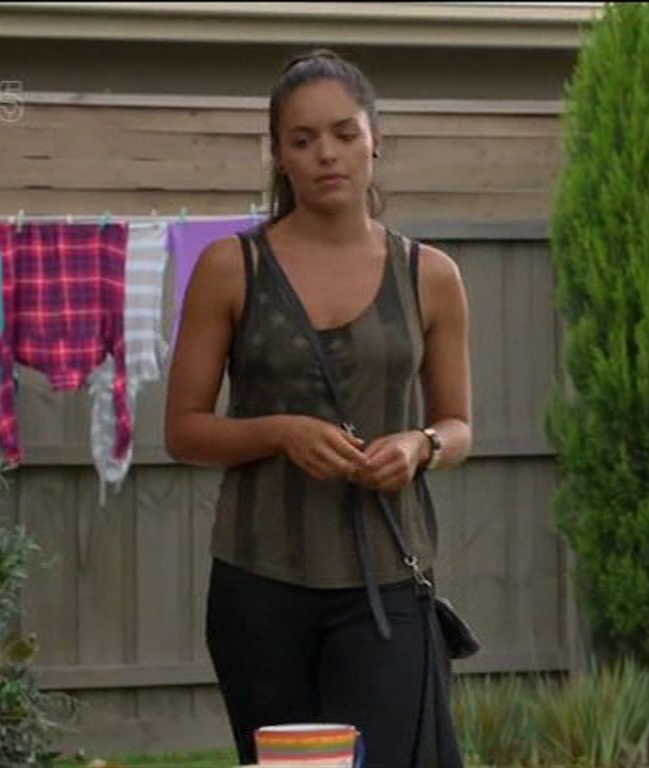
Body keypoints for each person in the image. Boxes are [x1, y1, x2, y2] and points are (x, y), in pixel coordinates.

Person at [164, 49, 472, 766]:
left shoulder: (429, 275)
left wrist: (419, 444)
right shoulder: (230, 268)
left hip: (387, 583)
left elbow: (458, 426)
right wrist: (280, 432)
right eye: (302, 140)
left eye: (343, 133)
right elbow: (183, 431)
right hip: (259, 583)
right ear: (279, 155)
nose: (326, 154)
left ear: (375, 139)